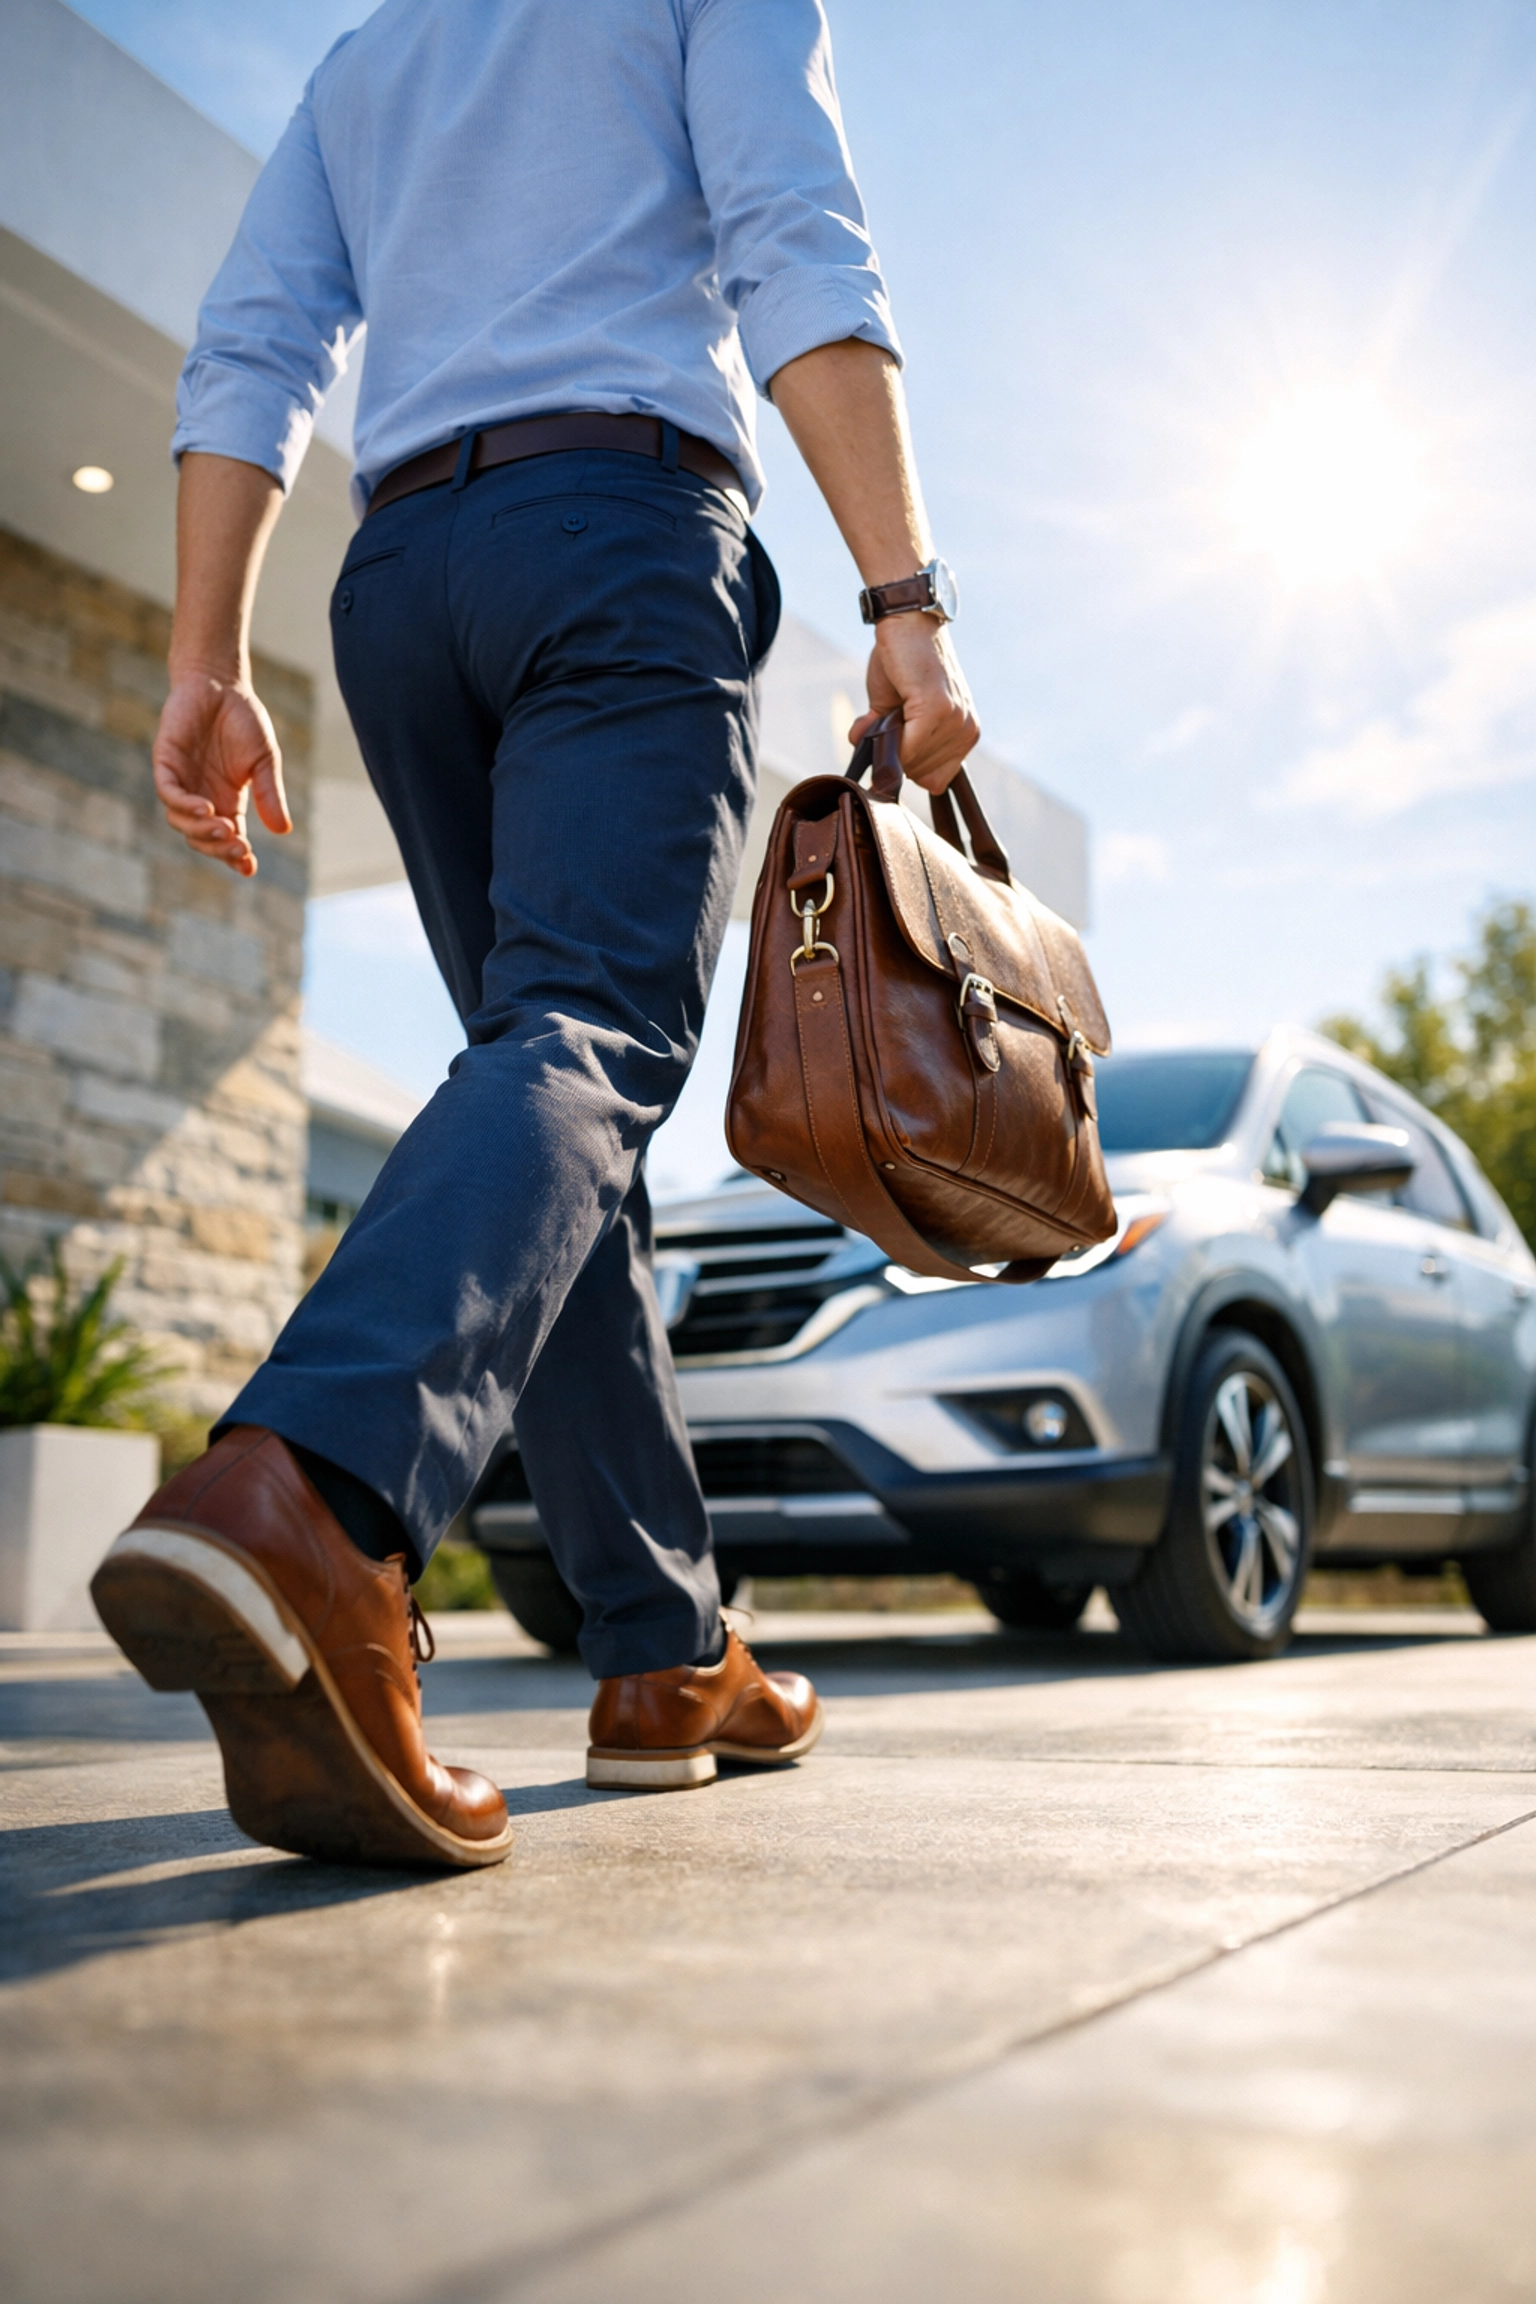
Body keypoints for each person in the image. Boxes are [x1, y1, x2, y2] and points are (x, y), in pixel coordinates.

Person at [92, 0, 979, 1869]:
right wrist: (906, 600)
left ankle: (668, 1651)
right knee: (587, 1037)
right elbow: (794, 236)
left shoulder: (368, 62)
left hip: (401, 581)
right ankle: (313, 1497)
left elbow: (252, 350)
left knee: (557, 1105)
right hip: (620, 524)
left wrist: (202, 662)